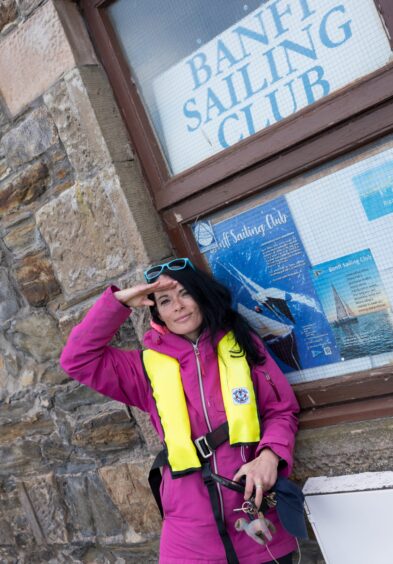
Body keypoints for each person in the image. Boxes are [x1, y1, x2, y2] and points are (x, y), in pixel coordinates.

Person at [60, 258, 300, 564]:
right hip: (189, 538)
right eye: (165, 300)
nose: (178, 306)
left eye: (185, 294)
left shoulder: (242, 344)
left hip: (257, 521)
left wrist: (269, 456)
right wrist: (120, 302)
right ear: (157, 312)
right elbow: (76, 359)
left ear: (200, 295)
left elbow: (281, 410)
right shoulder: (142, 368)